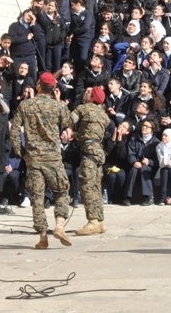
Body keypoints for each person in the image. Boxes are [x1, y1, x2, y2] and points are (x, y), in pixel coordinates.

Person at [11, 72, 74, 249]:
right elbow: (70, 121)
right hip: (53, 158)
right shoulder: (57, 107)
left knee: (37, 198)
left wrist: (21, 151)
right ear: (53, 88)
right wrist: (59, 100)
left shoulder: (25, 105)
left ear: (38, 85)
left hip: (33, 158)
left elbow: (14, 131)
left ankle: (42, 236)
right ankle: (60, 225)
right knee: (62, 192)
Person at [72, 86, 111, 235]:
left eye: (88, 92)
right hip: (98, 150)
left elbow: (69, 120)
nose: (85, 93)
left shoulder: (82, 108)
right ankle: (100, 221)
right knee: (96, 186)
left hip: (88, 150)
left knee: (86, 184)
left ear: (93, 98)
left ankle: (92, 221)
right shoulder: (103, 114)